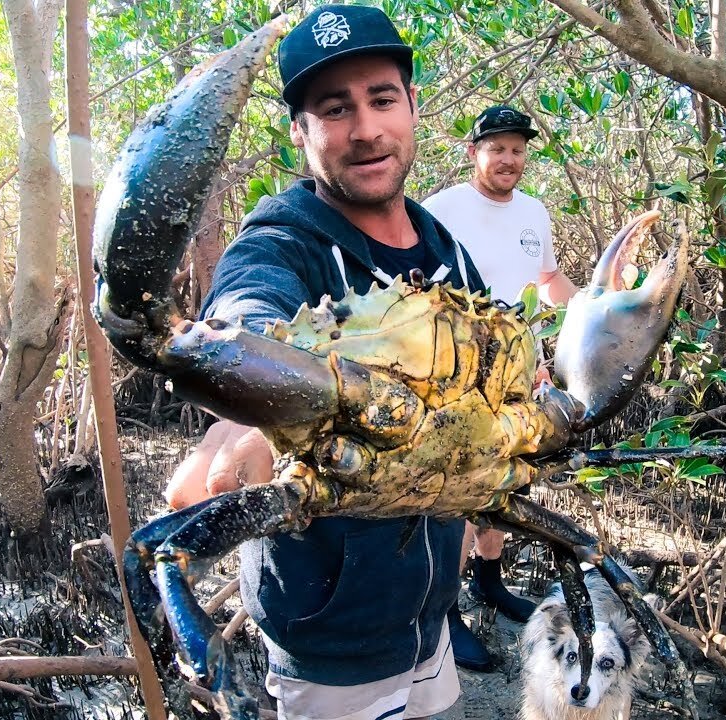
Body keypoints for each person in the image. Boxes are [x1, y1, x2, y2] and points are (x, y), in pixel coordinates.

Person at [164, 6, 487, 720]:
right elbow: (246, 307)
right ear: (299, 133)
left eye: (381, 99)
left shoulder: (448, 248)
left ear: (411, 106)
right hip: (330, 650)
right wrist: (251, 402)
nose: (365, 129)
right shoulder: (283, 241)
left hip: (430, 622)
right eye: (334, 109)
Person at [421, 104, 579, 672]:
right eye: (497, 148)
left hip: (521, 375)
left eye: (517, 149)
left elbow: (547, 281)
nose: (508, 159)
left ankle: (490, 580)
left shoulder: (535, 213)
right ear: (474, 152)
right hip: (461, 383)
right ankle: (443, 614)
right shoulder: (440, 210)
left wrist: (592, 306)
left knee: (511, 485)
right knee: (461, 494)